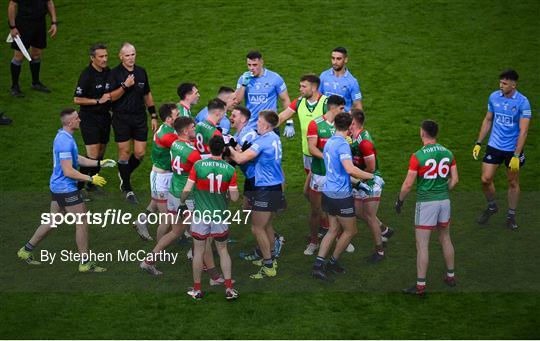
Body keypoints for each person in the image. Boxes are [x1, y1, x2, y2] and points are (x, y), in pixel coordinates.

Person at [17, 108, 115, 272]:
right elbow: (68, 171)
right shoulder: (65, 142)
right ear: (69, 122)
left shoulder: (64, 136)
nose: (80, 120)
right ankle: (85, 263)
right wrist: (91, 178)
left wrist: (99, 163)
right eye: (77, 118)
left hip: (58, 186)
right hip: (66, 189)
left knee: (53, 220)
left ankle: (25, 250)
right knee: (82, 222)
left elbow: (76, 158)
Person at [312, 112, 383, 281]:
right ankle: (332, 261)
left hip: (328, 192)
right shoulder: (343, 145)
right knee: (351, 231)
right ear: (350, 126)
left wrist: (357, 183)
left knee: (333, 229)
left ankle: (319, 265)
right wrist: (371, 177)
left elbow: (338, 170)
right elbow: (350, 169)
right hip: (341, 195)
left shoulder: (329, 142)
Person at [395, 120, 458, 296]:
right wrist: (443, 190)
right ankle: (451, 276)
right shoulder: (448, 152)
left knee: (422, 244)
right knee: (445, 238)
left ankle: (420, 285)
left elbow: (408, 184)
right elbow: (455, 180)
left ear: (422, 133)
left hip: (426, 203)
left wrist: (399, 201)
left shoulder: (418, 156)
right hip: (444, 201)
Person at [182, 135, 240, 300]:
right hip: (219, 215)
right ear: (223, 150)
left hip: (201, 215)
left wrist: (182, 201)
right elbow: (235, 198)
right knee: (223, 250)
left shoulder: (198, 165)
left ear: (208, 148)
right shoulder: (230, 169)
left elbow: (186, 190)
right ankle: (229, 288)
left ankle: (197, 289)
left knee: (199, 251)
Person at [473, 69, 532, 230]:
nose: (501, 86)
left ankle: (511, 215)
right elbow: (488, 119)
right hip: (494, 145)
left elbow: (524, 130)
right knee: (485, 179)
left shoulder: (522, 102)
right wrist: (479, 142)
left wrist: (516, 154)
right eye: (500, 82)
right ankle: (492, 206)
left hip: (512, 150)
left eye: (505, 83)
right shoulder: (494, 97)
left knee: (512, 182)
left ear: (514, 84)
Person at [229, 110, 285, 279]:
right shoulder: (274, 138)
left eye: (259, 122)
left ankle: (268, 265)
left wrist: (228, 146)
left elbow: (239, 160)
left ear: (266, 125)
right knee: (266, 225)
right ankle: (270, 257)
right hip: (274, 187)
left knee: (257, 228)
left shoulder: (263, 141)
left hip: (265, 189)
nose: (256, 125)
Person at [107, 42, 157, 204]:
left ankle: (124, 172)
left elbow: (147, 94)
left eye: (133, 54)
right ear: (120, 56)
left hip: (139, 117)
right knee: (124, 152)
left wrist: (153, 115)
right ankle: (127, 188)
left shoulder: (141, 72)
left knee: (140, 153)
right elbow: (111, 97)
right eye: (127, 55)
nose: (130, 58)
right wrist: (124, 85)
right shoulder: (114, 74)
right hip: (121, 117)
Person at [349, 109, 394, 263]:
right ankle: (385, 230)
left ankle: (379, 252)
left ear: (353, 122)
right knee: (357, 211)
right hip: (360, 179)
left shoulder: (365, 142)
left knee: (369, 215)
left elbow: (371, 168)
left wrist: (354, 176)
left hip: (371, 181)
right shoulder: (353, 137)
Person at [304, 95, 344, 255]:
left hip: (337, 176)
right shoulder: (316, 124)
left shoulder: (342, 125)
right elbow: (312, 147)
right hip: (320, 174)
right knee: (316, 209)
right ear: (333, 108)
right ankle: (313, 242)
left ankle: (340, 237)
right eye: (341, 108)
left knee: (337, 209)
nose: (344, 111)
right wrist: (327, 158)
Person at [133, 103, 179, 241]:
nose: (180, 117)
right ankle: (158, 251)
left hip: (168, 175)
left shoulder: (170, 129)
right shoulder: (167, 135)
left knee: (156, 203)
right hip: (161, 178)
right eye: (178, 115)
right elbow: (185, 147)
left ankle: (141, 222)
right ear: (169, 119)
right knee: (168, 217)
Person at [73, 43, 112, 193]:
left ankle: (92, 182)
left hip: (104, 118)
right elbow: (77, 99)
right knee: (93, 154)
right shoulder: (86, 75)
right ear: (92, 58)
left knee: (101, 152)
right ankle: (79, 185)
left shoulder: (107, 71)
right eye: (101, 57)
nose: (104, 59)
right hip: (89, 118)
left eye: (106, 56)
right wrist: (97, 101)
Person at [8, 0, 57, 97]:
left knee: (37, 53)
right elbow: (12, 5)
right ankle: (14, 86)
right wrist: (12, 27)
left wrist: (54, 22)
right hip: (23, 24)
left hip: (40, 23)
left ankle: (35, 83)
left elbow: (49, 2)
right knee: (19, 56)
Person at [235, 50, 290, 129]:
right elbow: (237, 101)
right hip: (250, 127)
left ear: (261, 62)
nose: (251, 68)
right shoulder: (243, 79)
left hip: (270, 126)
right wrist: (244, 85)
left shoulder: (275, 78)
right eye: (249, 65)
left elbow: (285, 99)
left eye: (255, 65)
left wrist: (289, 122)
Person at [319, 47, 363, 112]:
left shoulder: (352, 82)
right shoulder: (324, 76)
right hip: (326, 118)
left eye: (338, 59)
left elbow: (358, 106)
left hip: (342, 120)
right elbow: (317, 96)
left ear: (345, 60)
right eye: (333, 58)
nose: (335, 62)